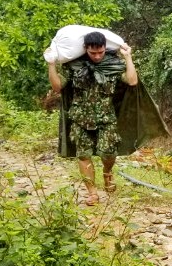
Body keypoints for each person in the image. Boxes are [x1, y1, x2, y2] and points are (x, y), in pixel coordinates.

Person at [48, 31, 138, 205]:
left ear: (105, 48)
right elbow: (58, 87)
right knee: (83, 155)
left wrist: (128, 57)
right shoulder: (74, 66)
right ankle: (92, 193)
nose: (97, 56)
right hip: (80, 119)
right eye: (92, 52)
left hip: (106, 118)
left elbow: (132, 81)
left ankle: (107, 173)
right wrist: (51, 64)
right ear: (85, 49)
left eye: (100, 52)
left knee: (109, 153)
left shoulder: (113, 65)